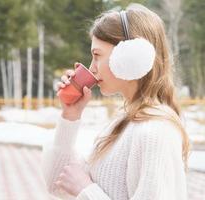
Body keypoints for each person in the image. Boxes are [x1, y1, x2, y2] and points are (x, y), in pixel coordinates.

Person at [42, 3, 189, 200]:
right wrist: (70, 116)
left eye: (97, 55)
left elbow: (80, 189)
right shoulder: (125, 122)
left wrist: (85, 191)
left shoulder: (156, 131)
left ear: (129, 56)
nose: (92, 68)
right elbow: (57, 184)